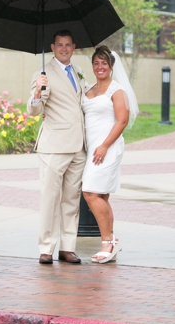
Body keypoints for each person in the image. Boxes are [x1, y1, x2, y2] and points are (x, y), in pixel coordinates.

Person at [27, 30, 86, 266]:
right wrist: (37, 91)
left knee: (71, 200)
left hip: (78, 147)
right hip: (54, 146)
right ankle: (46, 249)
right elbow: (34, 110)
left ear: (74, 47)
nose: (64, 49)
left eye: (68, 45)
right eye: (59, 45)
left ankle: (68, 248)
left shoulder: (78, 71)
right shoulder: (44, 74)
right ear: (52, 47)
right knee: (50, 200)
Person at [81, 46, 137, 263]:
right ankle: (110, 243)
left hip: (108, 148)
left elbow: (122, 120)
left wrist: (104, 146)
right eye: (96, 63)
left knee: (90, 193)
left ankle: (108, 241)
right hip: (92, 148)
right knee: (101, 195)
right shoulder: (89, 89)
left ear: (111, 66)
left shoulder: (117, 90)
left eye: (104, 63)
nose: (100, 67)